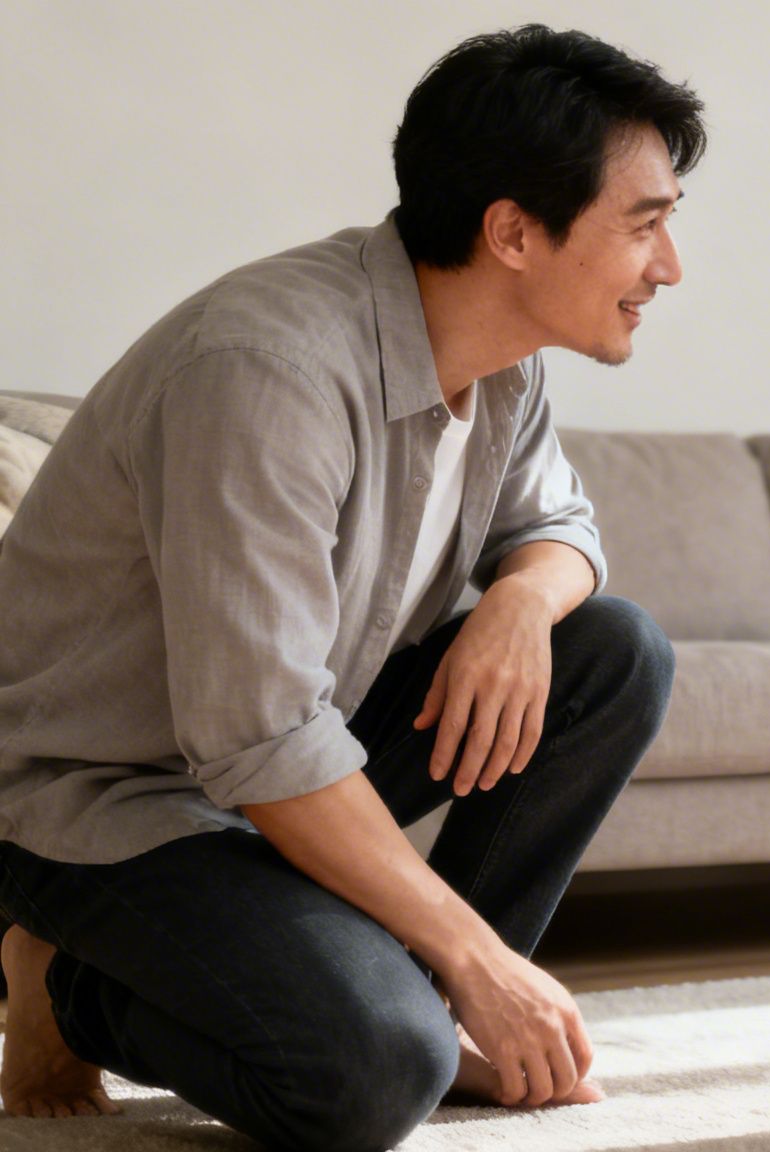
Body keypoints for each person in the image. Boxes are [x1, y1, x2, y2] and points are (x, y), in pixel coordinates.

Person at [0, 25, 702, 1149]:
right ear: (513, 232)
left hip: (273, 750)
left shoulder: (502, 360)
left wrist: (520, 604)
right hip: (100, 790)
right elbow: (259, 735)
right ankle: (71, 982)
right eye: (644, 224)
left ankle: (427, 1008)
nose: (668, 267)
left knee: (610, 653)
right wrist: (477, 955)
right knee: (372, 1076)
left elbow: (559, 528)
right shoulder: (264, 371)